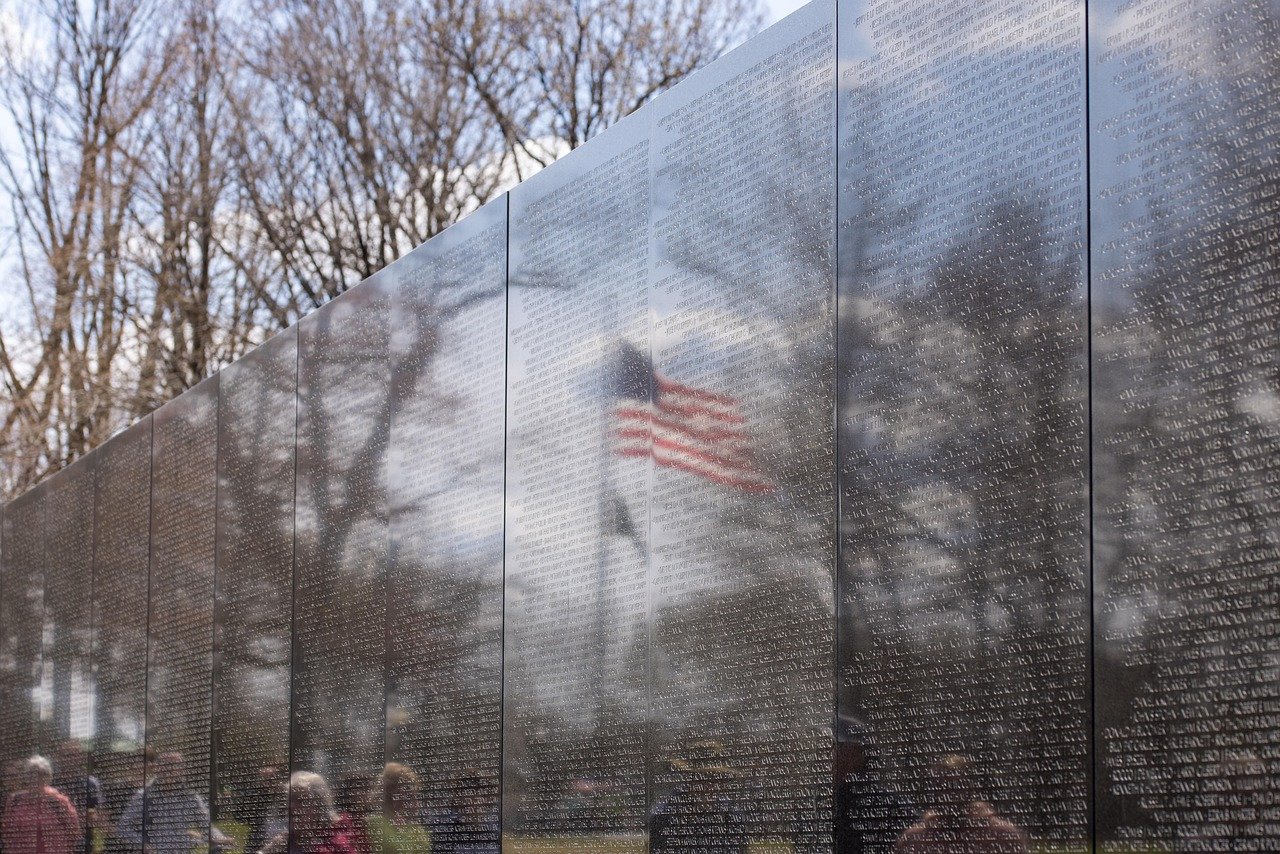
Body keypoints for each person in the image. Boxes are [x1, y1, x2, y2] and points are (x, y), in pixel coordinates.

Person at [893, 755, 1028, 854]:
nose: (947, 794)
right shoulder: (913, 840)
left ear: (970, 789)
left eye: (955, 786)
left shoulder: (1003, 836)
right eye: (940, 786)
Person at [116, 752, 227, 853]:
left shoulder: (191, 797)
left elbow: (206, 826)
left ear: (181, 770)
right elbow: (123, 827)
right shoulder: (143, 796)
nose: (168, 770)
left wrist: (220, 838)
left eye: (173, 766)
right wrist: (142, 845)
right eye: (165, 765)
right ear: (157, 769)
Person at [833, 715, 913, 853]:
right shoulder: (817, 801)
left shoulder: (888, 805)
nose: (825, 752)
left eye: (836, 746)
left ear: (856, 754)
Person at [1, 756, 80, 854]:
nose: (36, 778)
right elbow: (6, 830)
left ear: (48, 777)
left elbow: (73, 830)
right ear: (26, 776)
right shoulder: (14, 800)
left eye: (41, 774)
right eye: (32, 774)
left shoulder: (58, 801)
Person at [260, 772, 355, 854]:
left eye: (300, 800)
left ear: (319, 806)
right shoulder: (282, 843)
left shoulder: (337, 844)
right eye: (290, 800)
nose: (291, 806)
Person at [366, 764, 429, 854]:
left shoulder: (418, 831)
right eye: (409, 795)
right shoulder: (373, 823)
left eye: (414, 795)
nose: (415, 801)